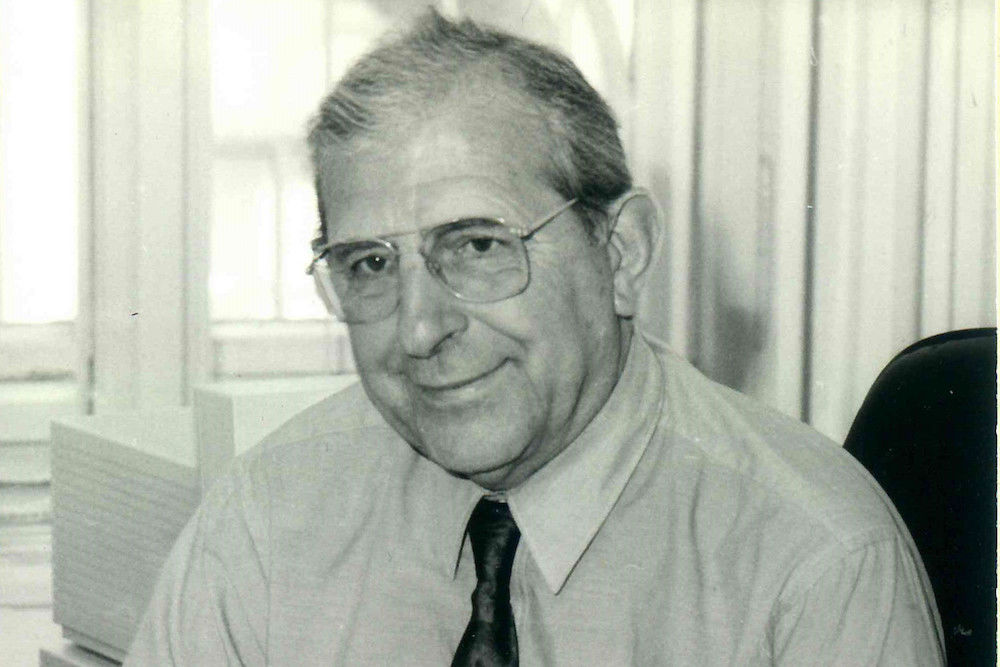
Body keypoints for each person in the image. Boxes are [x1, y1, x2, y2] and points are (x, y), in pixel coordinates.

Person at [127, 9, 944, 665]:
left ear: (621, 253)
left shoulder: (817, 561)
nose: (419, 329)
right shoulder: (268, 514)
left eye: (478, 245)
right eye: (370, 263)